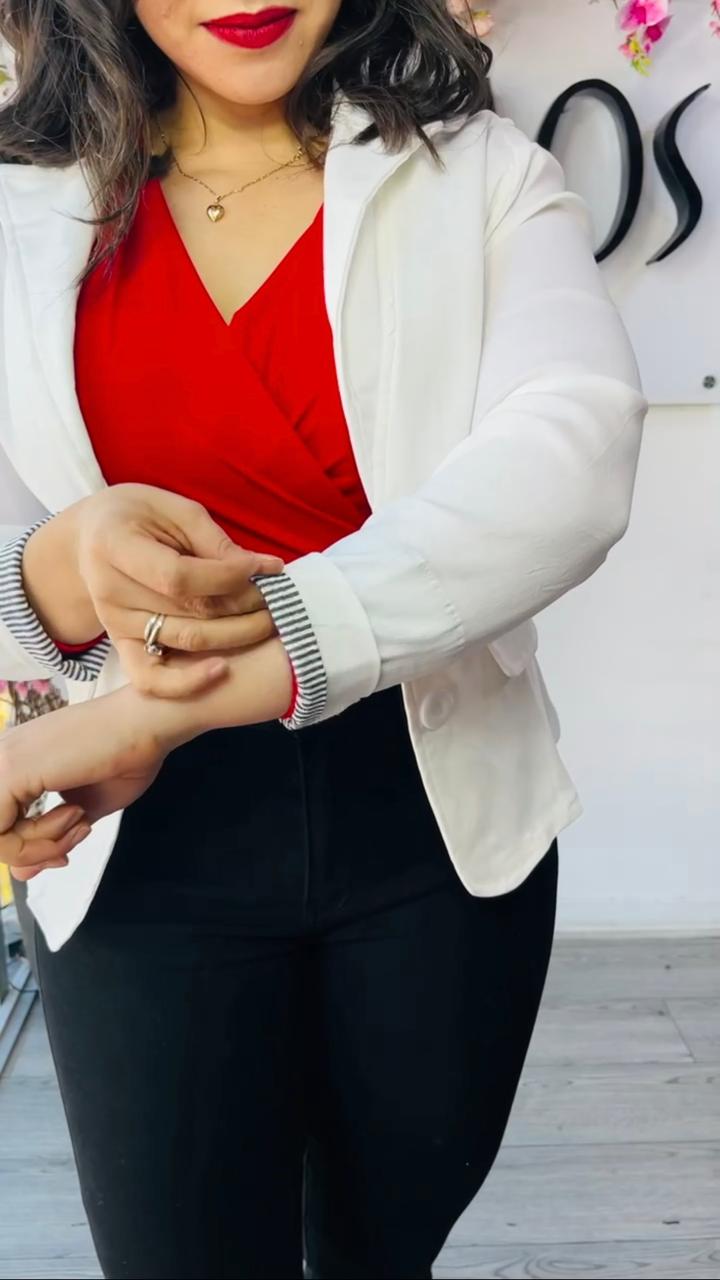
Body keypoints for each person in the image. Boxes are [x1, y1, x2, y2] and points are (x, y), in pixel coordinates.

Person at [0, 2, 646, 1276]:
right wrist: (62, 566)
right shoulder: (19, 206)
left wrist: (197, 690)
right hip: (133, 842)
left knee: (379, 1249)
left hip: (431, 823)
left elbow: (571, 450)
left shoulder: (481, 174)